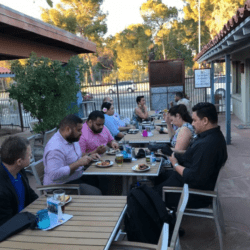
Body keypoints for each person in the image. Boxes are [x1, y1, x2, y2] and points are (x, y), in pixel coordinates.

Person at [155, 102, 228, 209]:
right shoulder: (212, 136)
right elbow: (192, 157)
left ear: (205, 121)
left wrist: (175, 164)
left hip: (194, 194)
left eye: (194, 120)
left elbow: (193, 177)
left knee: (151, 196)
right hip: (189, 182)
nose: (192, 123)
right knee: (158, 176)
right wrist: (173, 154)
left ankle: (165, 219)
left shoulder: (207, 145)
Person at [43, 114, 102, 195]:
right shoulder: (55, 148)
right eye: (78, 130)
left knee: (101, 179)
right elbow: (54, 175)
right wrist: (78, 163)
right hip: (59, 186)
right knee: (95, 193)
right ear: (68, 129)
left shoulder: (71, 139)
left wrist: (89, 156)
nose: (81, 133)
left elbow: (77, 157)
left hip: (75, 177)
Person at [0, 136, 38, 226]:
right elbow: (6, 224)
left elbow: (29, 192)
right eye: (29, 155)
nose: (31, 157)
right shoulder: (2, 189)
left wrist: (46, 204)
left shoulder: (18, 170)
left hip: (24, 218)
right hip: (12, 230)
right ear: (19, 162)